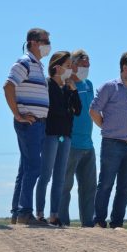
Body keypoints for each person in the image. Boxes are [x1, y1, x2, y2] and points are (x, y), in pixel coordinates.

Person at [90, 52, 127, 228]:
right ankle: (99, 221)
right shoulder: (109, 87)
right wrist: (106, 128)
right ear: (124, 67)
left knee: (125, 188)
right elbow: (94, 110)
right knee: (105, 184)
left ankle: (117, 223)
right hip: (112, 143)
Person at [5, 28, 52, 226]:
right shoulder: (24, 62)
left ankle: (18, 212)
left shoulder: (38, 65)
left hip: (37, 124)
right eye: (45, 41)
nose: (48, 45)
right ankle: (25, 211)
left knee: (26, 168)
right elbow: (8, 86)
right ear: (33, 42)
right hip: (29, 124)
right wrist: (17, 114)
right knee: (33, 167)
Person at [35, 51, 81, 226]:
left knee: (60, 177)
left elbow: (78, 110)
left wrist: (73, 91)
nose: (71, 69)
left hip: (66, 136)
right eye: (68, 66)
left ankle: (54, 214)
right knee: (45, 174)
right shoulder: (48, 85)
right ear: (57, 67)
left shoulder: (67, 89)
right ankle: (39, 213)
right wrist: (66, 110)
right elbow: (54, 110)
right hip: (51, 135)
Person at [60, 50, 96, 227]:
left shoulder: (89, 85)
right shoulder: (65, 85)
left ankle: (88, 224)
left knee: (89, 188)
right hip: (70, 143)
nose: (86, 68)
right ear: (73, 65)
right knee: (65, 186)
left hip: (88, 144)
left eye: (88, 65)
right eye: (83, 65)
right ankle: (62, 221)